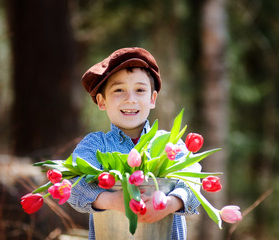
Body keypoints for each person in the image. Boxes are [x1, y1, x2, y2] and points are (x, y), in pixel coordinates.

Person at [67, 47, 201, 240]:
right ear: (101, 101)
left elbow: (194, 179)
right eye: (119, 90)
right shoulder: (95, 146)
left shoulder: (170, 145)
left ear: (152, 98)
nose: (130, 99)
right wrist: (113, 200)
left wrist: (168, 204)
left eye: (140, 90)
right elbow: (72, 182)